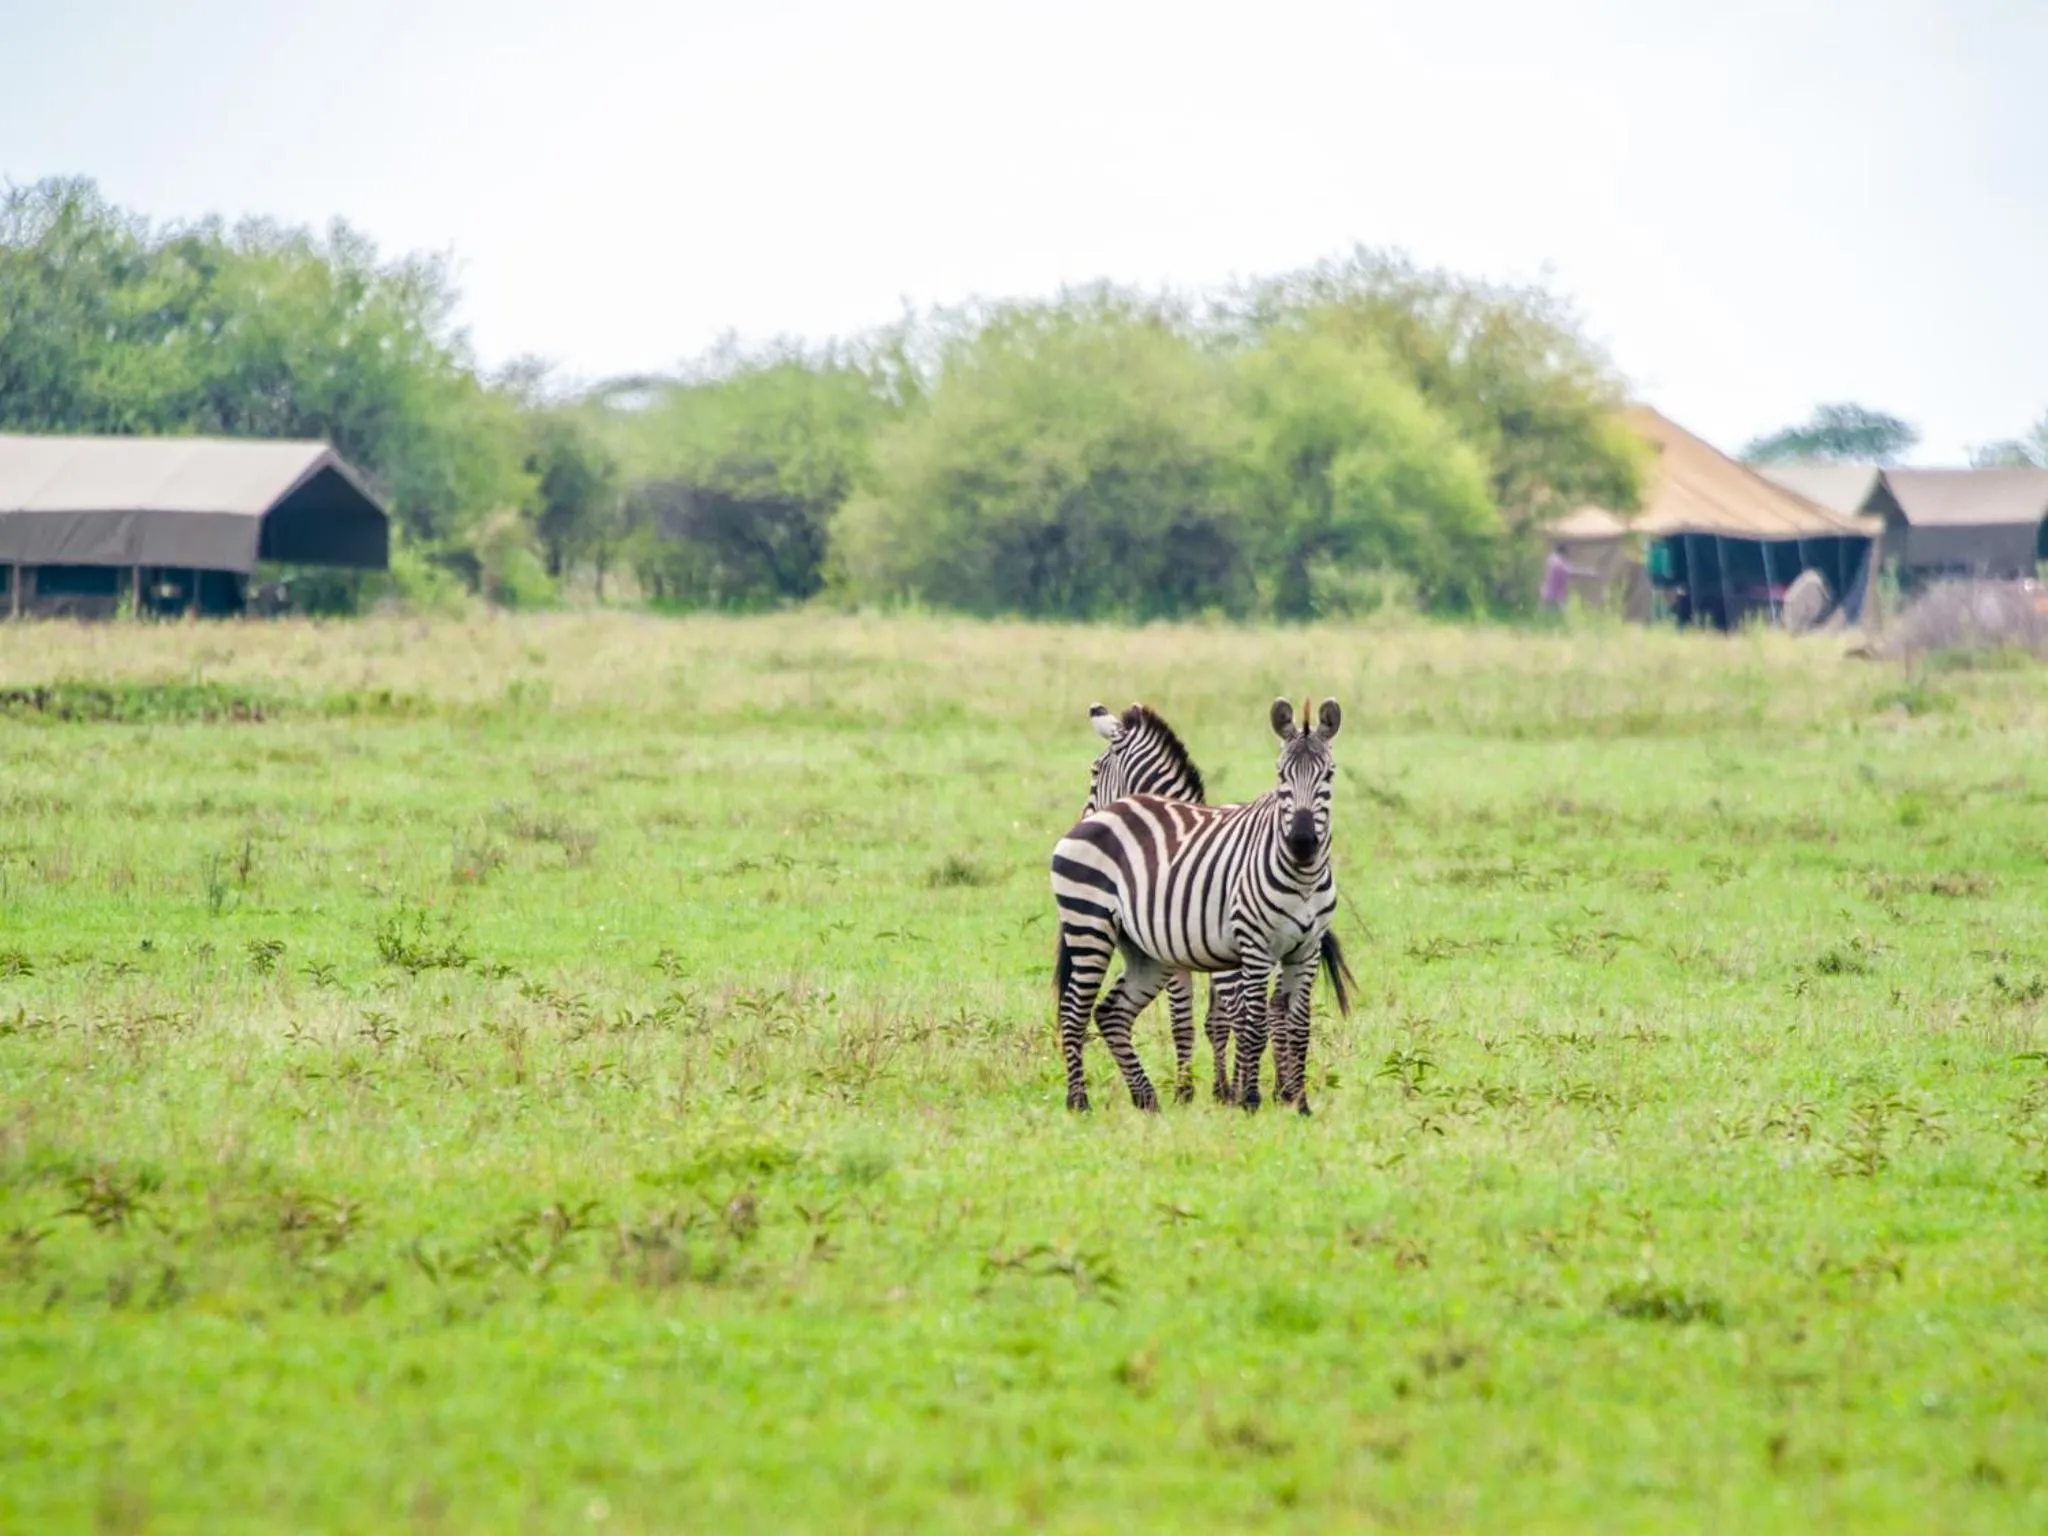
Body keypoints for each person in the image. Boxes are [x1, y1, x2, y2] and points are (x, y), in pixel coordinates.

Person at [1540, 543, 1596, 614]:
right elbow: (1572, 572)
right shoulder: (1559, 562)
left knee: (1545, 617)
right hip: (1556, 598)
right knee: (1559, 617)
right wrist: (1589, 573)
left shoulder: (1551, 560)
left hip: (1546, 594)